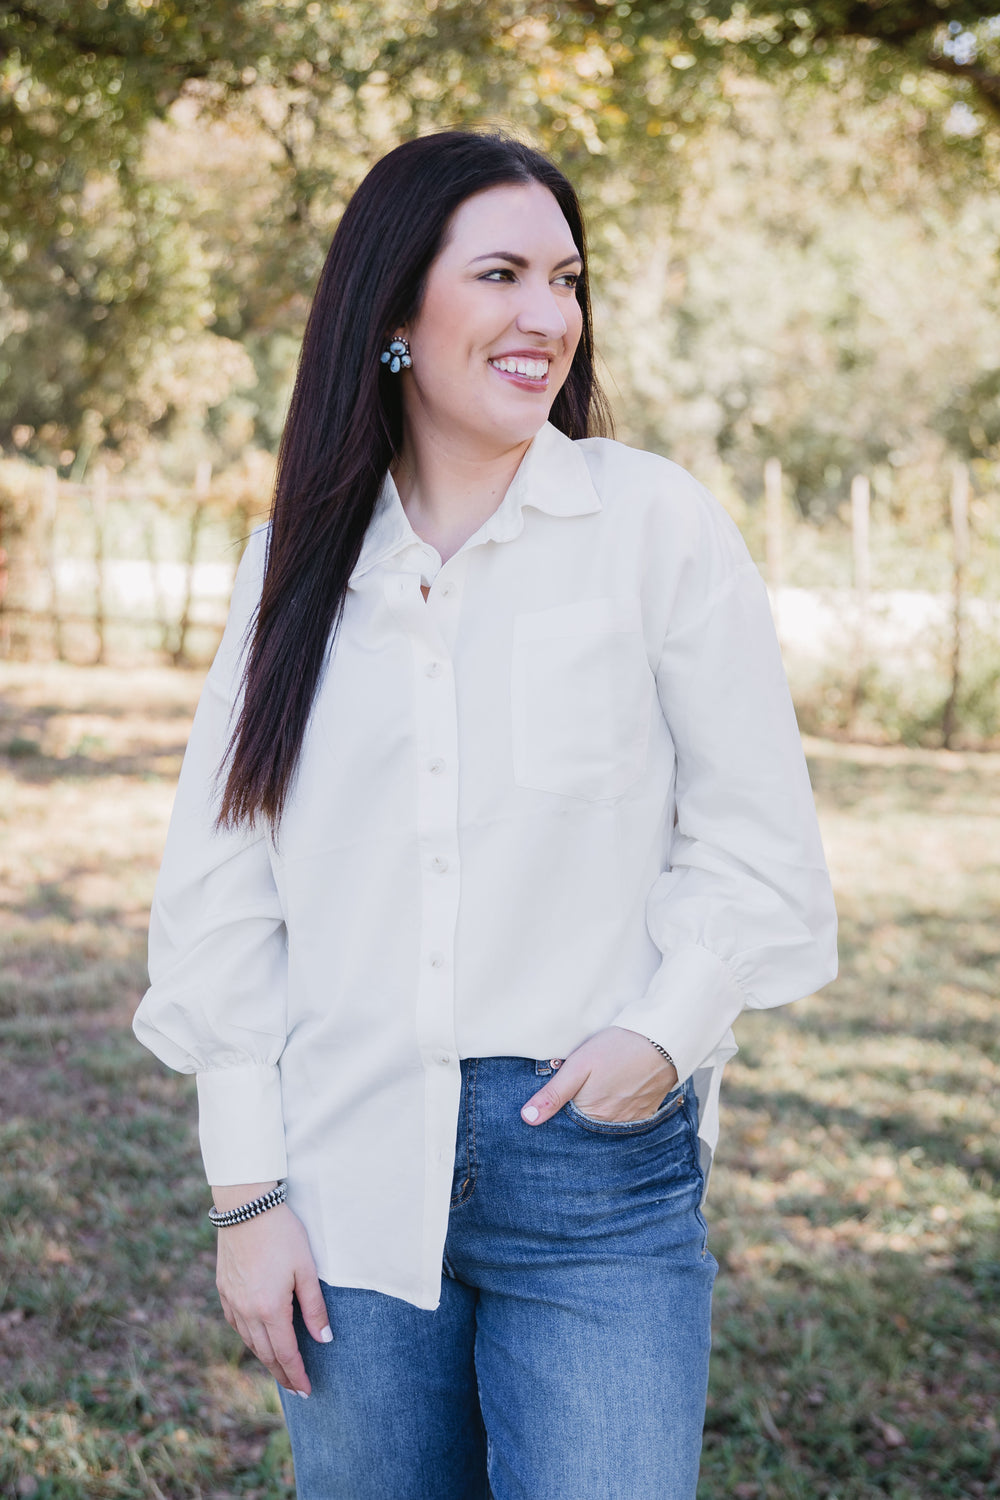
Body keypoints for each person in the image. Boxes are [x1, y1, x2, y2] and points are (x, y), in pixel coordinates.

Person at [133, 129, 838, 1500]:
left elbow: (759, 842)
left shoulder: (656, 527)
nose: (547, 317)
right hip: (345, 1171)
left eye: (567, 280)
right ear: (395, 312)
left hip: (592, 1167)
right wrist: (245, 1196)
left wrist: (665, 1031)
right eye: (502, 273)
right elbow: (226, 883)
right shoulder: (293, 563)